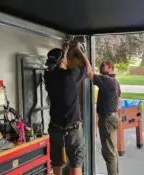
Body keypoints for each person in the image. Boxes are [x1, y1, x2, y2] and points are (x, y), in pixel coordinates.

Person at [44, 42, 92, 175]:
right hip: (72, 129)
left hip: (55, 128)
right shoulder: (71, 75)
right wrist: (79, 51)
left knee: (56, 162)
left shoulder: (47, 76)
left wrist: (65, 52)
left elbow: (58, 67)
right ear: (63, 59)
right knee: (76, 161)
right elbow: (88, 68)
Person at [87, 60, 121, 175]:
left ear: (110, 67)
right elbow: (119, 98)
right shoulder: (115, 81)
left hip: (107, 119)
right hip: (113, 117)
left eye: (103, 66)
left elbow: (89, 74)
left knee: (108, 153)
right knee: (112, 150)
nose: (101, 67)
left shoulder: (105, 80)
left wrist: (82, 56)